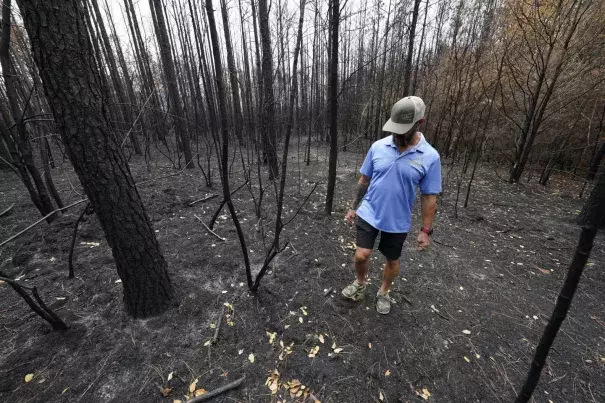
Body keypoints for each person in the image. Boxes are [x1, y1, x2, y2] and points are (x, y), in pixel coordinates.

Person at [342, 96, 442, 314]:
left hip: (397, 220)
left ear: (420, 123)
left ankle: (384, 292)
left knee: (392, 262)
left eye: (402, 130)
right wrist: (353, 207)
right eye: (394, 128)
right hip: (369, 211)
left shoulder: (430, 157)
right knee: (361, 255)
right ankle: (360, 284)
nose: (397, 134)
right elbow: (364, 181)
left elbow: (429, 197)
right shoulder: (378, 147)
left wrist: (425, 231)